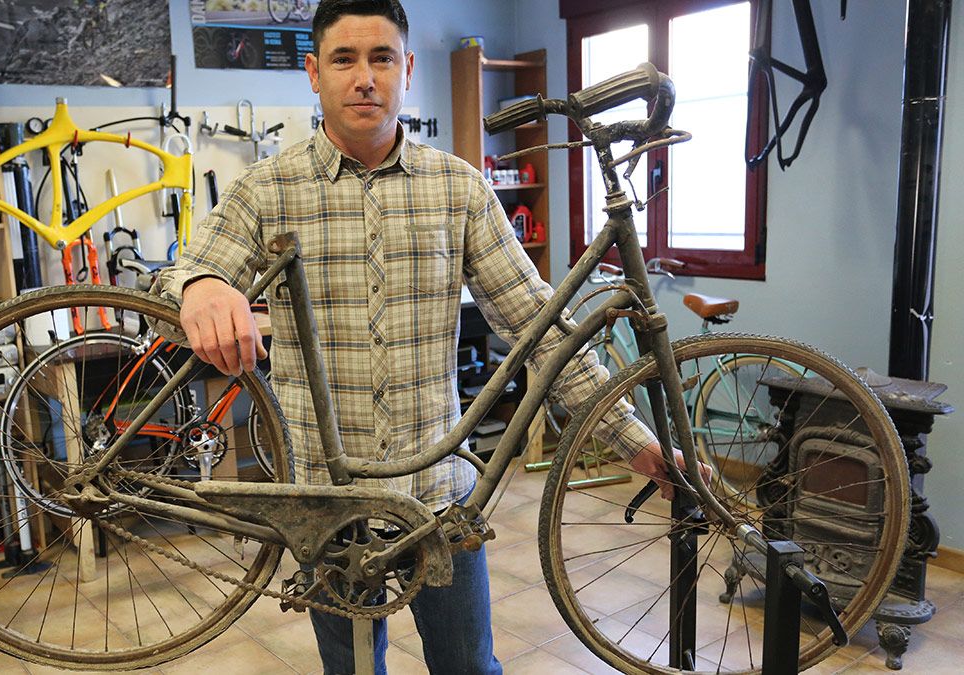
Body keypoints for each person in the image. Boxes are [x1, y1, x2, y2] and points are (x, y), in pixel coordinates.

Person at [154, 1, 700, 671]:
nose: (364, 78)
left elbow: (537, 325)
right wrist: (200, 286)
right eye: (343, 59)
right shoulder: (266, 188)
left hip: (438, 497)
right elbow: (186, 266)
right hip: (327, 504)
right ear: (312, 73)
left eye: (382, 58)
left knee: (470, 666)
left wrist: (634, 440)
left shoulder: (459, 189)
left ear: (407, 70)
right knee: (352, 668)